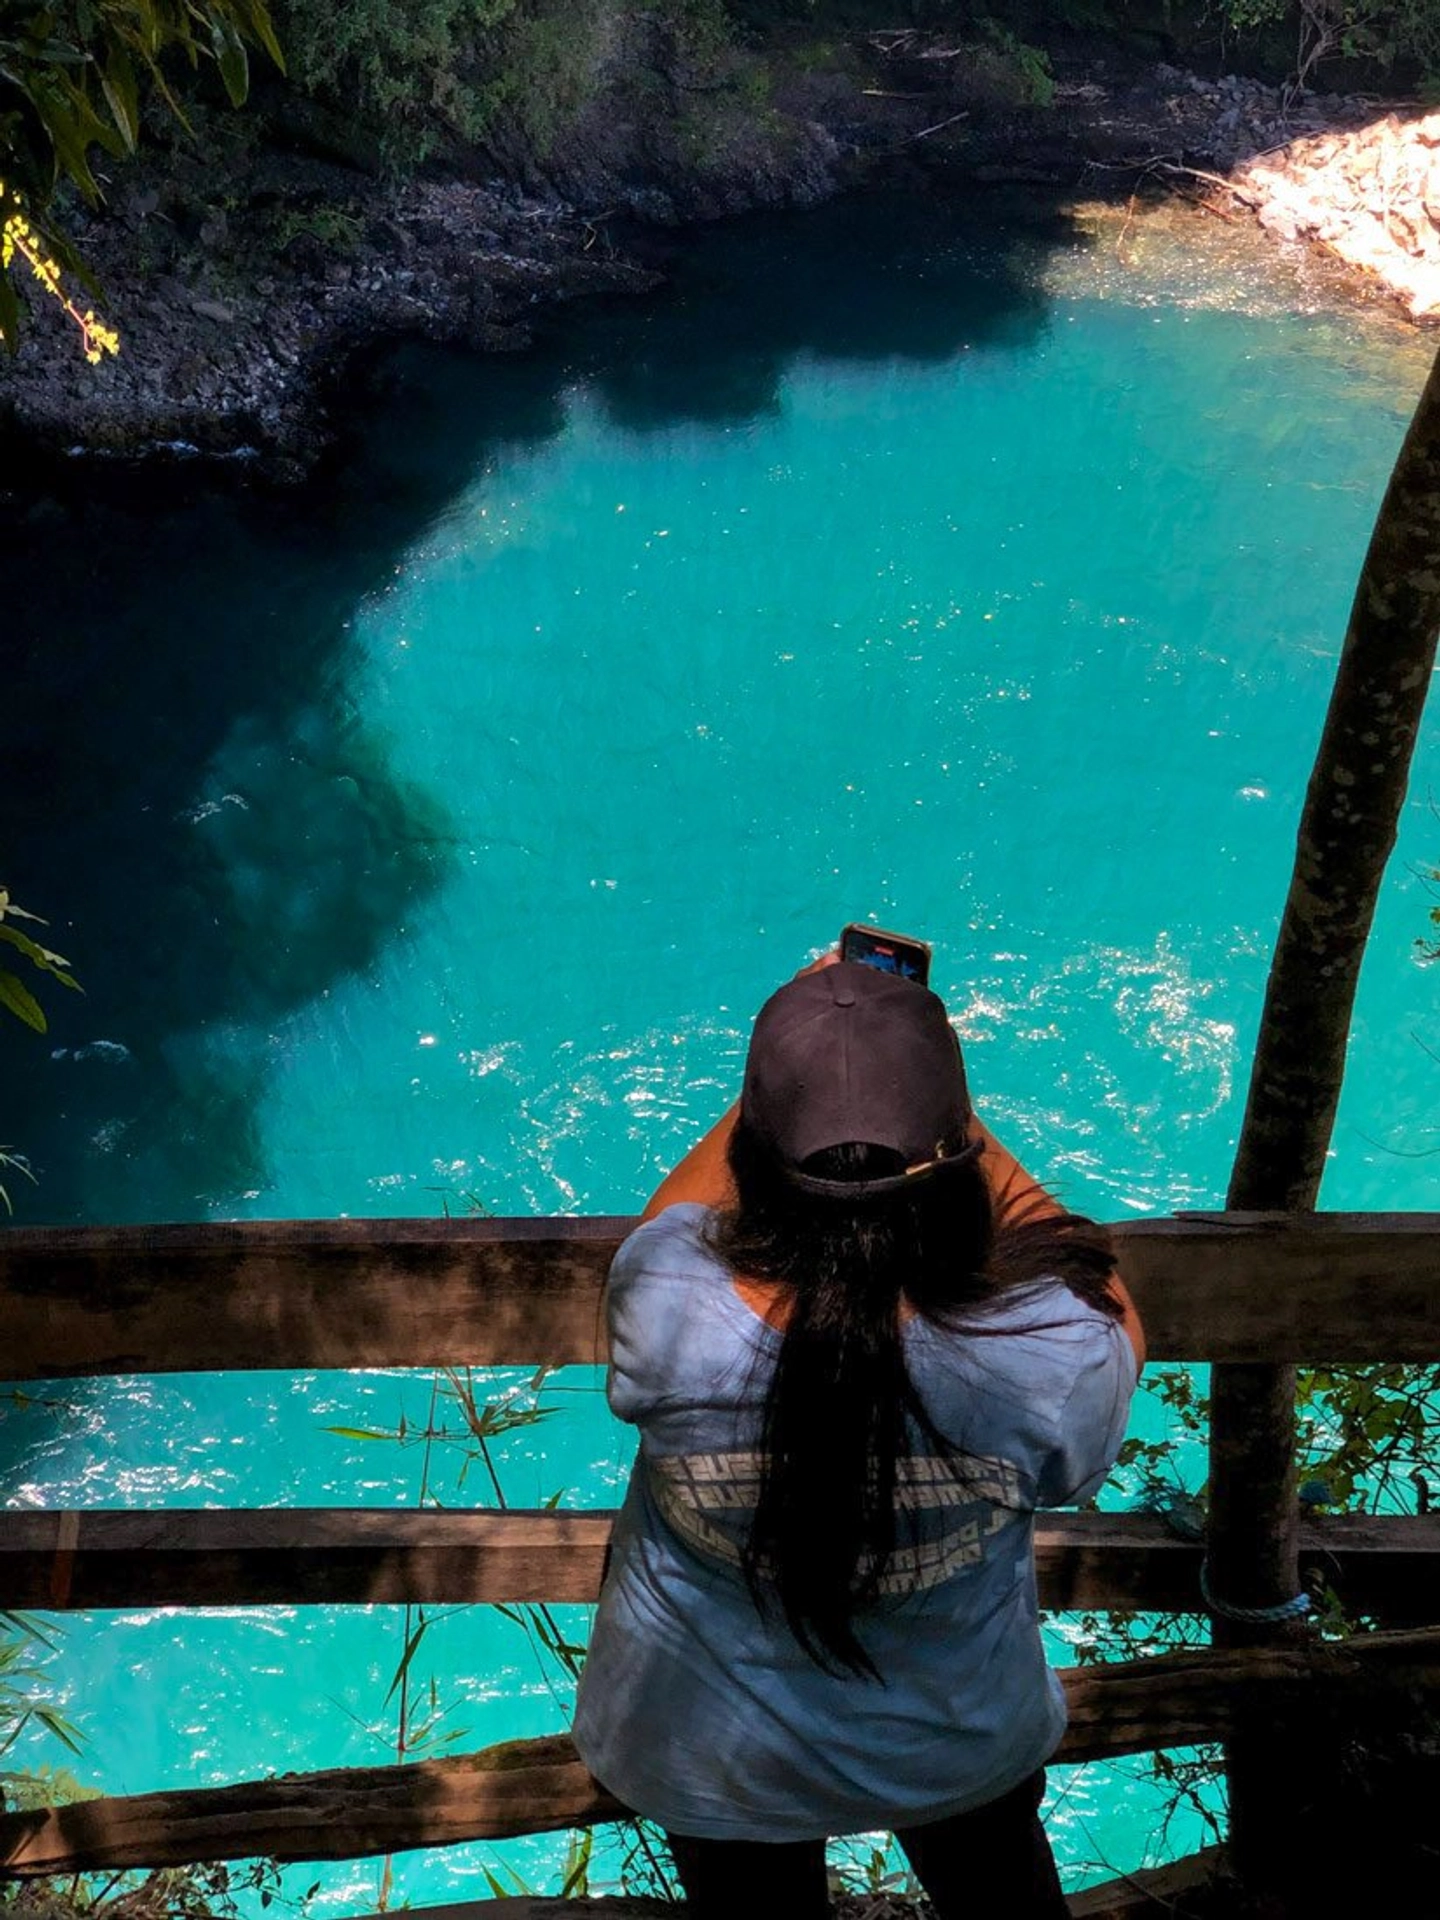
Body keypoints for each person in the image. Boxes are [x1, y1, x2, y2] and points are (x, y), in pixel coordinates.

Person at [572, 953, 1145, 1918]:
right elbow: (1112, 1301)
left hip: (714, 1751)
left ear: (757, 1152)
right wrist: (946, 1120)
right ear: (954, 1157)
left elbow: (669, 1223)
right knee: (1002, 1897)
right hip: (955, 1736)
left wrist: (795, 1091)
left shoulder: (666, 1298)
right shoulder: (1046, 1352)